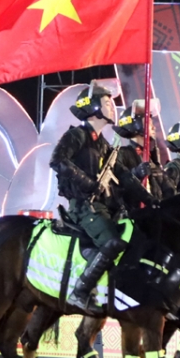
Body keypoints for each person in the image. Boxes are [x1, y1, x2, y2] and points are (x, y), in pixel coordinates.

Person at [50, 82, 126, 310]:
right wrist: (89, 184)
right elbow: (57, 161)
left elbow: (124, 177)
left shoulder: (103, 143)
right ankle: (80, 290)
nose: (112, 108)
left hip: (102, 206)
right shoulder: (77, 135)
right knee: (112, 242)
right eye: (106, 103)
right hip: (84, 206)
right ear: (93, 107)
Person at [112, 102, 173, 205]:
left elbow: (168, 190)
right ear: (136, 124)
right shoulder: (122, 154)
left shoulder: (152, 157)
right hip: (137, 215)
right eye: (149, 123)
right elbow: (118, 187)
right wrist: (136, 173)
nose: (154, 128)